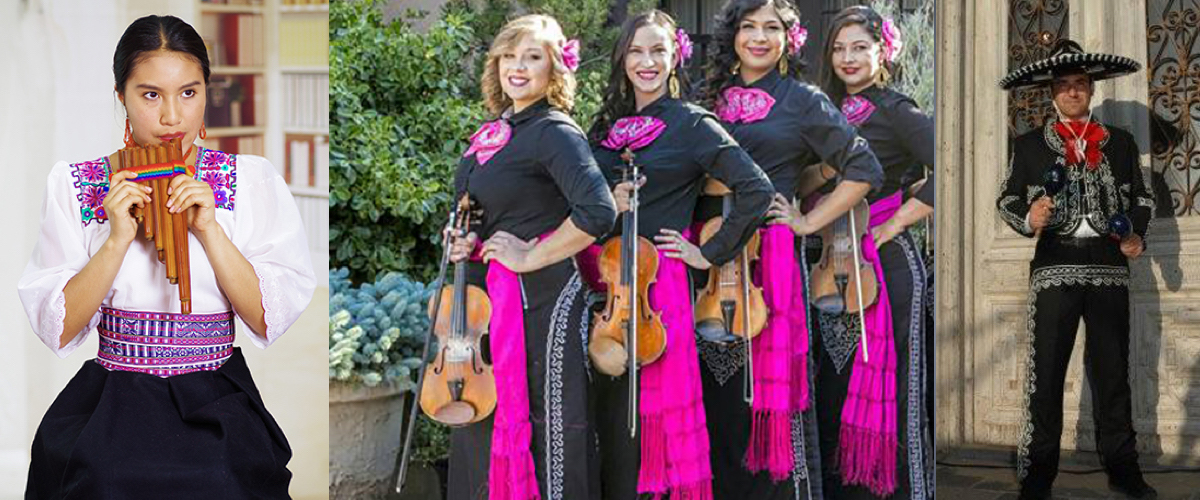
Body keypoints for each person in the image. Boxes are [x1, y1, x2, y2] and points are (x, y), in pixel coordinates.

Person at [18, 15, 316, 498]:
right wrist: (117, 240)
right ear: (122, 97)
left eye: (189, 92)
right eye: (151, 94)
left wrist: (209, 229)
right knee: (102, 478)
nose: (172, 117)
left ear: (206, 93)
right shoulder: (74, 185)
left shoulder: (251, 180)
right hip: (114, 398)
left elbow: (265, 319)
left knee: (224, 479)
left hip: (214, 394)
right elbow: (62, 327)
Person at [699, 1, 887, 499]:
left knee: (766, 400)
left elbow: (864, 168)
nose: (759, 37)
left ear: (790, 38)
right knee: (713, 401)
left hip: (770, 261)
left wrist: (807, 221)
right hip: (706, 261)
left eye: (772, 27)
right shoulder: (705, 97)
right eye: (748, 26)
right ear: (732, 34)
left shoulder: (802, 100)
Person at [583, 9, 774, 500]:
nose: (646, 62)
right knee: (609, 413)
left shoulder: (692, 123)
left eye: (658, 51)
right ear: (622, 57)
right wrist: (609, 203)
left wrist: (706, 252)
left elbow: (755, 189)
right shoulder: (603, 129)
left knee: (656, 418)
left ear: (675, 58)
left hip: (658, 286)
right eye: (636, 51)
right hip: (603, 285)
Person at [443, 14, 618, 500]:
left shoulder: (554, 131)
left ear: (555, 69)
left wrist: (530, 254)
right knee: (486, 417)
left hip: (543, 302)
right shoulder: (496, 131)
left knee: (554, 425)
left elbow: (598, 211)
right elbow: (493, 213)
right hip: (492, 300)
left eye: (532, 57)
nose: (517, 67)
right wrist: (465, 241)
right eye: (509, 56)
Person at [996, 39, 1156, 500]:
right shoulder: (1028, 146)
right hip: (1054, 267)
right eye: (1064, 86)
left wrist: (1135, 235)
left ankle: (1124, 469)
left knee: (1113, 372)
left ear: (1090, 90)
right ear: (1052, 93)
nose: (1072, 92)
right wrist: (1030, 219)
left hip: (1108, 266)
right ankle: (1038, 475)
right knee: (1045, 373)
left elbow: (1141, 198)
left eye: (1080, 85)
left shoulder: (1120, 143)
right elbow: (1006, 200)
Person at [808, 6, 936, 499]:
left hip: (884, 263)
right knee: (832, 391)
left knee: (897, 395)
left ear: (884, 51)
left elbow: (952, 165)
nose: (848, 57)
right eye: (839, 48)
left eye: (860, 46)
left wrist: (900, 219)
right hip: (826, 264)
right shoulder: (819, 111)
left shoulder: (896, 109)